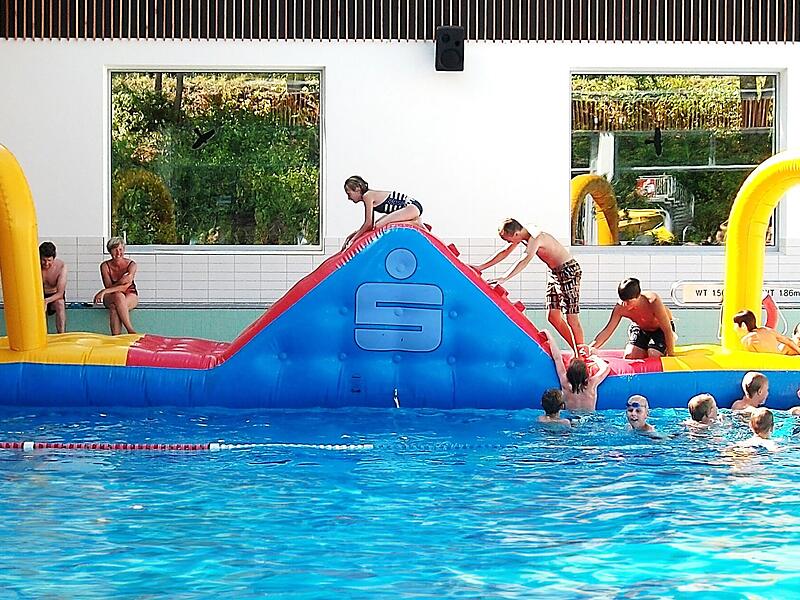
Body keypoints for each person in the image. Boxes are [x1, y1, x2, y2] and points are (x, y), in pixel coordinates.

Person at [471, 218, 584, 351]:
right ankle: (577, 350)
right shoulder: (523, 234)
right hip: (554, 272)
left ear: (516, 234)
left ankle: (583, 354)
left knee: (571, 317)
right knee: (553, 316)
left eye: (508, 240)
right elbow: (505, 252)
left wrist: (504, 277)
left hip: (567, 270)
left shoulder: (536, 237)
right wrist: (481, 267)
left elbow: (525, 259)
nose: (508, 243)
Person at [589, 277, 675, 359]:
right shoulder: (620, 307)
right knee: (629, 355)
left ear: (638, 296)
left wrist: (671, 354)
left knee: (653, 354)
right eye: (623, 301)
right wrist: (590, 348)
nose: (625, 304)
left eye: (628, 301)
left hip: (660, 330)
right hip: (641, 328)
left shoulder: (652, 301)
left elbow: (667, 329)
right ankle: (644, 348)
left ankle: (656, 348)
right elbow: (608, 330)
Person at [341, 176, 423, 251]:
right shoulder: (368, 196)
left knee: (379, 225)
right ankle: (413, 220)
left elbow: (368, 223)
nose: (349, 198)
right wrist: (354, 234)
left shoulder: (367, 195)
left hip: (411, 207)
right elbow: (370, 225)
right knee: (377, 224)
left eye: (349, 193)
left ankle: (414, 222)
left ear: (357, 189)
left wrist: (353, 240)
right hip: (411, 207)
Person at [543, 330, 610, 412]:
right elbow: (606, 368)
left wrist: (548, 335)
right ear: (586, 375)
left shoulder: (565, 384)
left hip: (570, 419)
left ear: (569, 373)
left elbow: (557, 358)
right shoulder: (591, 384)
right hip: (589, 420)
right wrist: (594, 357)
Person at [94, 237, 138, 335]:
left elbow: (125, 287)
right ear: (110, 251)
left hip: (130, 294)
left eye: (120, 249)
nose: (118, 253)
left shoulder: (131, 264)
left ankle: (118, 336)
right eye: (115, 250)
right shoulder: (105, 266)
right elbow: (109, 286)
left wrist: (103, 292)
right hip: (112, 295)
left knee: (115, 306)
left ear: (124, 250)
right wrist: (118, 283)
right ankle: (130, 331)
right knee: (118, 296)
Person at [733, 309, 800, 355]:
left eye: (735, 325)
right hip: (780, 356)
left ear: (743, 325)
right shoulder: (766, 330)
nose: (734, 328)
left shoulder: (748, 340)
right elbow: (788, 341)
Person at [39, 241, 67, 334]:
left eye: (49, 260)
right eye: (43, 260)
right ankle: (42, 334)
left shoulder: (61, 266)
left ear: (54, 259)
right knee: (38, 307)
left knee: (60, 304)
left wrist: (46, 301)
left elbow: (60, 293)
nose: (46, 264)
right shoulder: (33, 266)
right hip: (39, 294)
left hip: (54, 295)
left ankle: (61, 334)